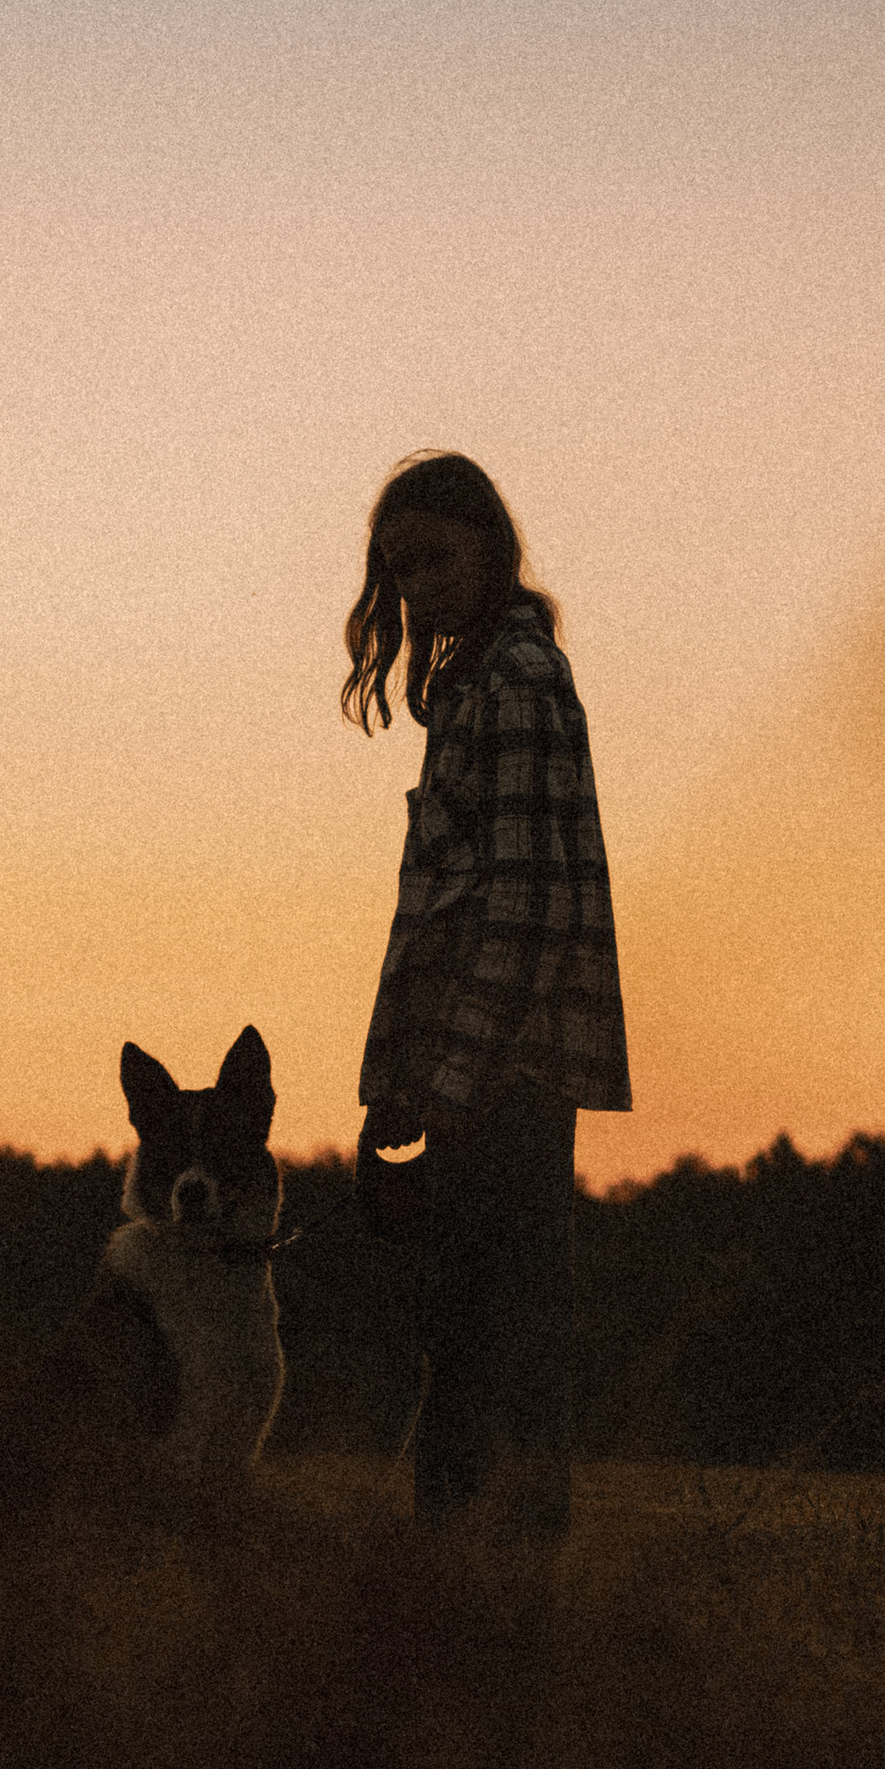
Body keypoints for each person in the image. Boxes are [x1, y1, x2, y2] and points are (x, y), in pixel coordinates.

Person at [343, 452, 630, 1538]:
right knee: (483, 1350)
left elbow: (521, 906)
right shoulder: (487, 681)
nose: (418, 585)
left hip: (503, 1076)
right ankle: (481, 1605)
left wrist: (445, 1082)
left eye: (435, 556)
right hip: (483, 1071)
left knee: (486, 1356)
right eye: (400, 567)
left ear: (491, 547)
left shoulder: (511, 682)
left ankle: (474, 1605)